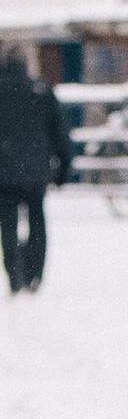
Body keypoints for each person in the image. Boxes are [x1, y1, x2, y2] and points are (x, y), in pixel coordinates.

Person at [0, 51, 74, 294]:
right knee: (37, 220)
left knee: (8, 225)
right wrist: (63, 169)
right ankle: (34, 274)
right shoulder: (40, 90)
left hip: (5, 172)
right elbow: (60, 134)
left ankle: (15, 276)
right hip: (36, 172)